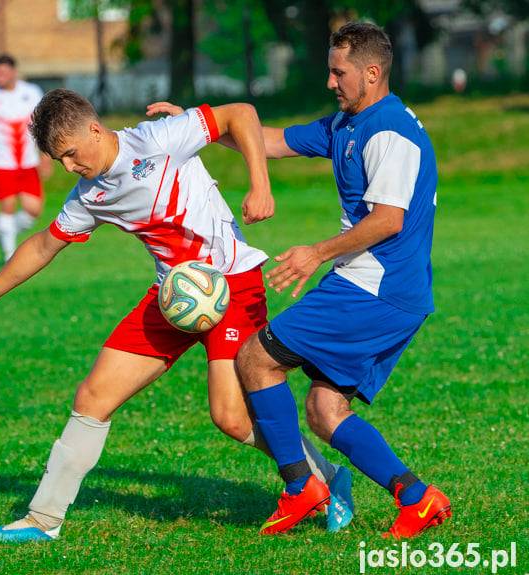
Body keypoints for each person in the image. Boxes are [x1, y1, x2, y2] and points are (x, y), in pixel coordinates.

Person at [0, 89, 354, 543]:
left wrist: (260, 184)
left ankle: (328, 476)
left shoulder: (156, 140)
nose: (68, 167)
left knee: (232, 418)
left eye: (71, 154)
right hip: (173, 297)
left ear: (95, 130)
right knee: (93, 395)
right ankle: (42, 520)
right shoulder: (89, 196)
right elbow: (44, 244)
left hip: (232, 284)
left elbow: (240, 113)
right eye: (59, 159)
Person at [230, 22, 449, 538]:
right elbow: (272, 141)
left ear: (372, 74)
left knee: (256, 359)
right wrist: (194, 129)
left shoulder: (390, 131)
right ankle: (417, 498)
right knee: (325, 409)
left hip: (376, 288)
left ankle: (300, 486)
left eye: (339, 72)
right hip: (383, 290)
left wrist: (315, 254)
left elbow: (388, 218)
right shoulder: (347, 124)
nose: (331, 81)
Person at [0, 54, 52, 261]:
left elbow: (41, 127)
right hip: (2, 162)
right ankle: (9, 255)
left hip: (28, 162)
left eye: (3, 72)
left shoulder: (32, 92)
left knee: (34, 210)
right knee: (7, 206)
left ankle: (5, 233)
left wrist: (46, 156)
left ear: (13, 73)